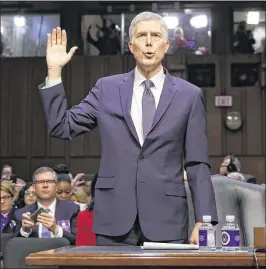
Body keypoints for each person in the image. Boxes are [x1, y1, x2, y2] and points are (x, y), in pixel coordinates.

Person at [39, 11, 218, 246]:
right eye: (142, 35)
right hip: (114, 220)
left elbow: (197, 163)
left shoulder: (189, 95)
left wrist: (204, 220)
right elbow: (62, 126)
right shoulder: (107, 89)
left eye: (155, 35)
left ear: (166, 45)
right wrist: (54, 72)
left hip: (167, 218)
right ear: (131, 46)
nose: (149, 41)